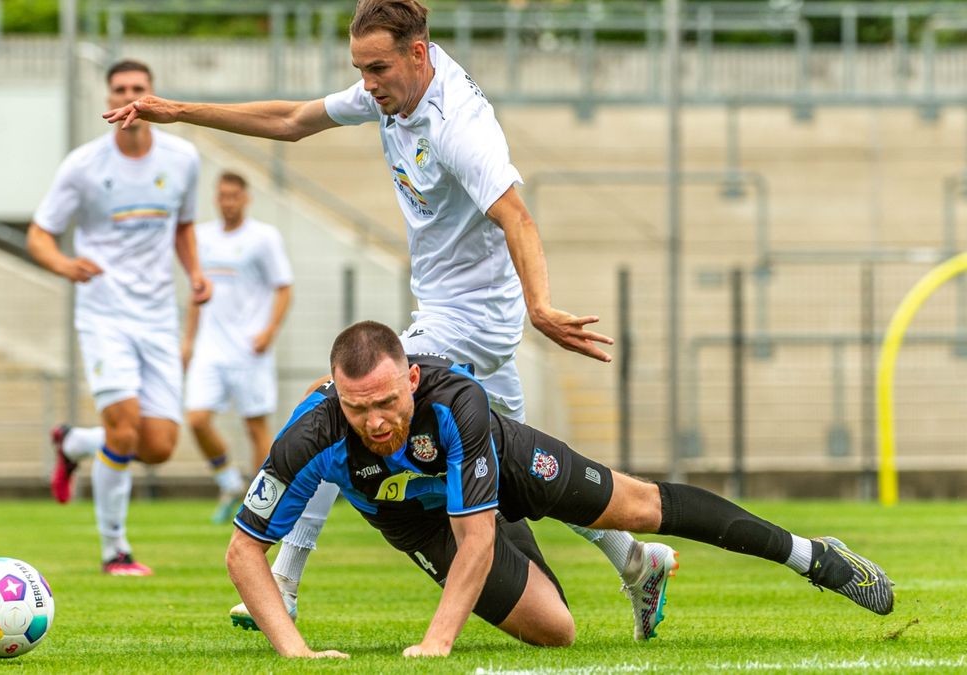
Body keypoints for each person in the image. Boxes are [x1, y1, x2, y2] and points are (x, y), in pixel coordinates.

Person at [103, 0, 672, 639]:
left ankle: (284, 581)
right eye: (360, 69)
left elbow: (517, 215)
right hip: (452, 310)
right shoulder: (389, 92)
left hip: (471, 320)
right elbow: (291, 119)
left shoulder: (460, 124)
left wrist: (542, 304)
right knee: (522, 473)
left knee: (332, 412)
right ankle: (635, 558)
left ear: (418, 53)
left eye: (376, 68)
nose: (368, 83)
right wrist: (179, 111)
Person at [226, 321, 895, 659]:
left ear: (409, 376)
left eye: (384, 401)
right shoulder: (312, 434)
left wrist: (436, 641)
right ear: (333, 393)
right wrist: (297, 651)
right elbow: (242, 551)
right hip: (420, 524)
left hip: (505, 466)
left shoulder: (457, 399)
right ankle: (634, 567)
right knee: (556, 631)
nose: (374, 421)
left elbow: (479, 537)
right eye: (355, 405)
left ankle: (815, 556)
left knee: (641, 505)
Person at [29, 59, 212, 576]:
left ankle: (72, 442)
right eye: (120, 89)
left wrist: (195, 272)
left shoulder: (183, 159)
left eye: (139, 88)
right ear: (108, 100)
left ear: (153, 97)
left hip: (157, 317)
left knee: (156, 446)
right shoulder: (84, 166)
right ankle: (116, 551)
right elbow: (39, 234)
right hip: (104, 314)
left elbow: (183, 225)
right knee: (125, 429)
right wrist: (65, 264)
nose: (130, 96)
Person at [182, 171, 294, 524]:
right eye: (223, 196)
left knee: (255, 426)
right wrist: (188, 339)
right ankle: (229, 481)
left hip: (249, 349)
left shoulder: (263, 238)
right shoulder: (201, 238)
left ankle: (264, 503)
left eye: (235, 196)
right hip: (210, 348)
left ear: (246, 198)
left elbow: (284, 288)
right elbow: (196, 292)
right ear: (216, 198)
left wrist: (269, 331)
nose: (228, 202)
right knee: (197, 418)